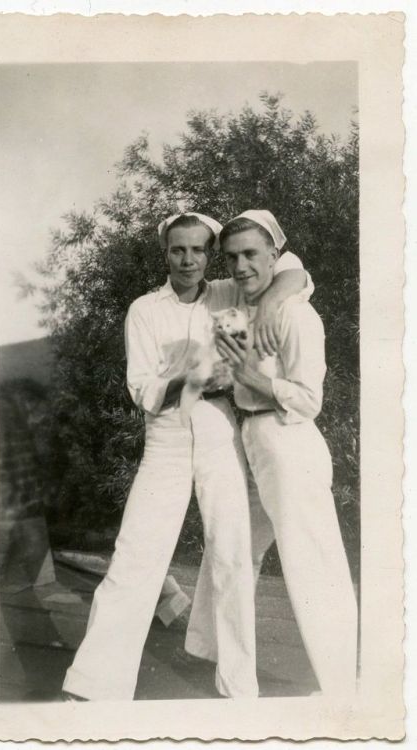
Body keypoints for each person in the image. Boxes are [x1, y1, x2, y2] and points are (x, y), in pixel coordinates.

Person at [63, 212, 309, 701]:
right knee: (136, 555)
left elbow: (296, 270)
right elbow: (142, 389)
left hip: (220, 431)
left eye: (199, 249)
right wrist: (194, 377)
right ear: (166, 253)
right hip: (168, 437)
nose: (189, 259)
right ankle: (95, 685)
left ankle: (238, 685)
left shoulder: (228, 292)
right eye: (179, 250)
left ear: (210, 254)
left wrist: (270, 302)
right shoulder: (144, 310)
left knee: (232, 554)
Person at [212, 210, 358, 698]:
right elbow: (291, 269)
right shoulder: (239, 302)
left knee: (311, 561)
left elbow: (309, 400)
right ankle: (228, 673)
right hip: (250, 441)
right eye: (232, 257)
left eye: (251, 255)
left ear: (274, 255)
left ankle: (341, 690)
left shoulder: (296, 314)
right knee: (234, 549)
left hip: (289, 442)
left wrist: (253, 379)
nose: (241, 266)